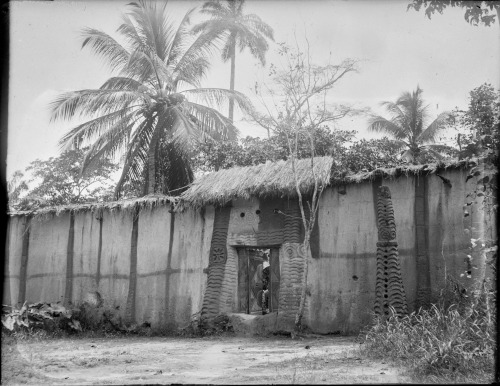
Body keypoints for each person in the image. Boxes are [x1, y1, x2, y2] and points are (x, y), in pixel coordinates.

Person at [261, 250, 270, 314]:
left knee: (265, 294)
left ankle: (266, 309)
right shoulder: (265, 266)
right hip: (266, 286)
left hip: (268, 287)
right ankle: (265, 309)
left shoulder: (267, 266)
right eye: (268, 255)